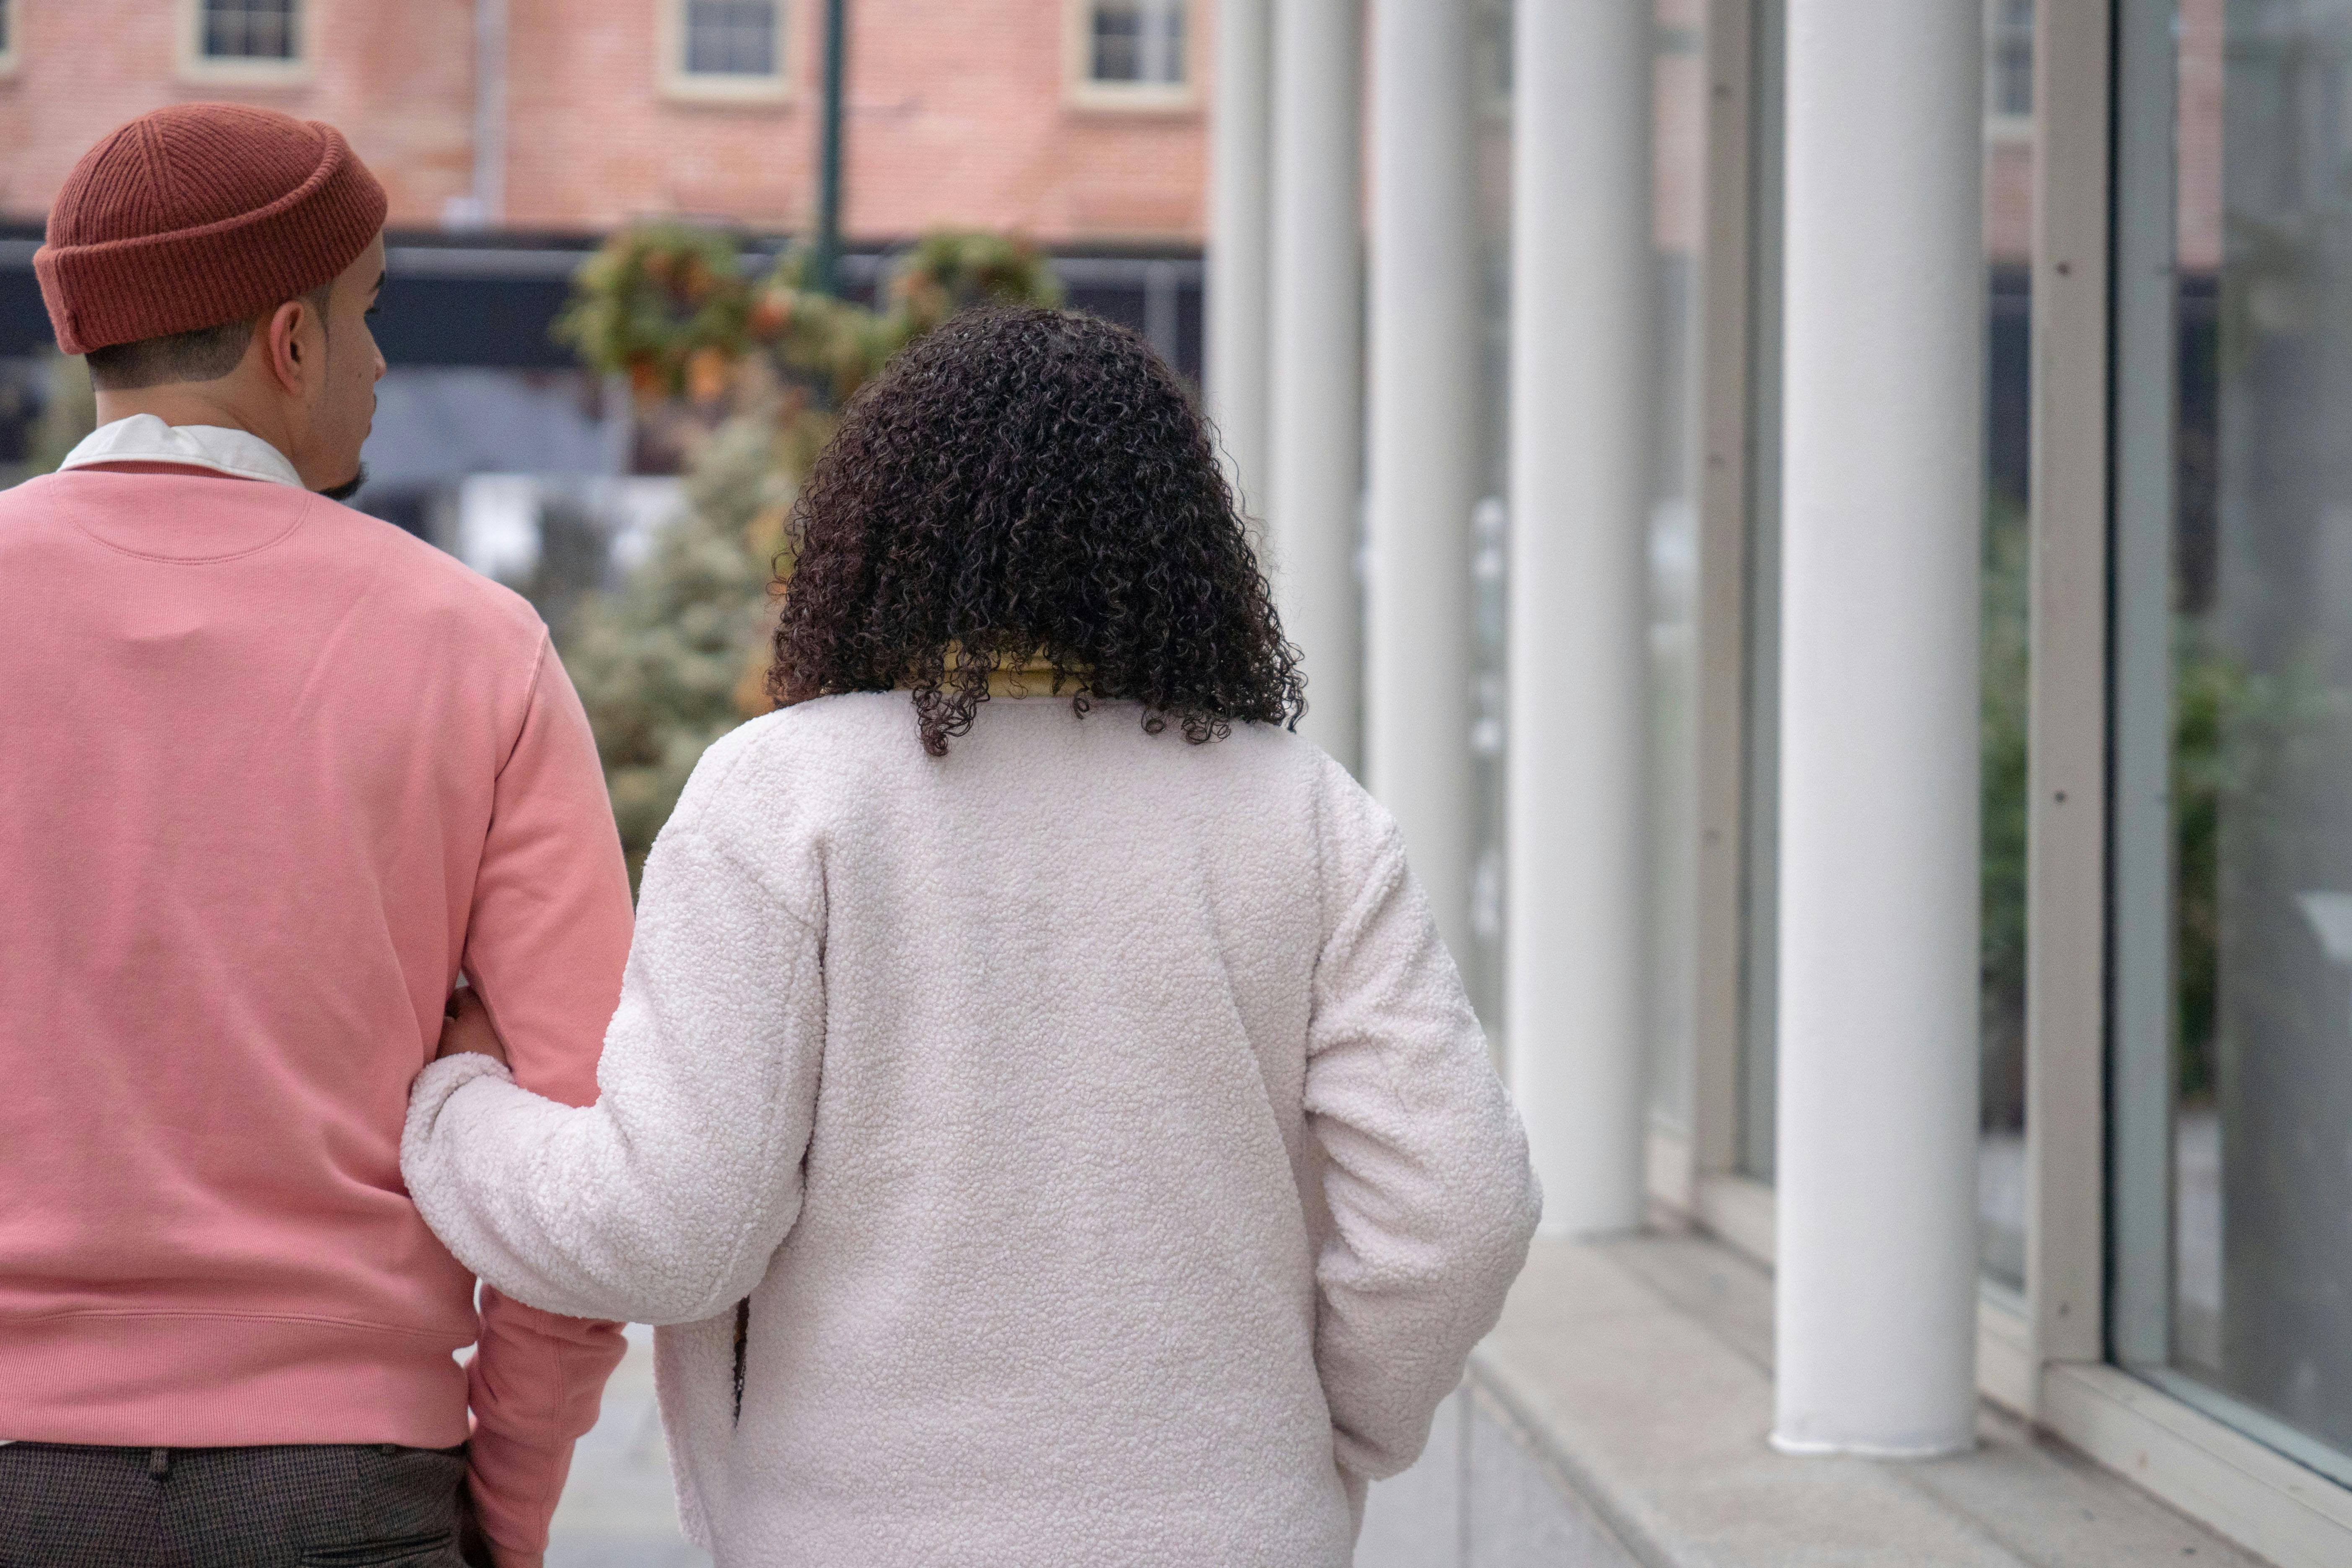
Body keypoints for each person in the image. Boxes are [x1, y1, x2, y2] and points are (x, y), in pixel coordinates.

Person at [402, 307, 1542, 1565]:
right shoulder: (1304, 813)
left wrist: (456, 1109)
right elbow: (1460, 1210)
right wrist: (1319, 1431)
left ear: (880, 530)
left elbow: (671, 1231)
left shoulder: (786, 796)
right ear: (1182, 542)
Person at [0, 104, 631, 1566]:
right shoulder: (478, 648)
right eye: (371, 312)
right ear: (293, 342)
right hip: (342, 1477)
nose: (385, 361)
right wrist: (509, 1500)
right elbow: (581, 1141)